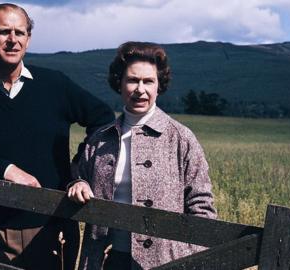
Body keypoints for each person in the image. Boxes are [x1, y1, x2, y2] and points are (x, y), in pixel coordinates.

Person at [0, 3, 114, 269]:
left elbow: (103, 119)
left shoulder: (54, 84)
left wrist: (78, 169)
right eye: (3, 32)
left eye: (20, 32)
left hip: (53, 228)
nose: (13, 40)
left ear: (28, 38)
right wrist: (8, 170)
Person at [68, 41, 217, 270]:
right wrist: (78, 182)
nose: (140, 89)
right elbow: (78, 175)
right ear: (119, 83)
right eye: (132, 80)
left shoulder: (181, 139)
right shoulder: (100, 138)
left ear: (159, 85)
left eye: (148, 81)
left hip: (164, 263)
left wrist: (184, 261)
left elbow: (203, 210)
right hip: (104, 261)